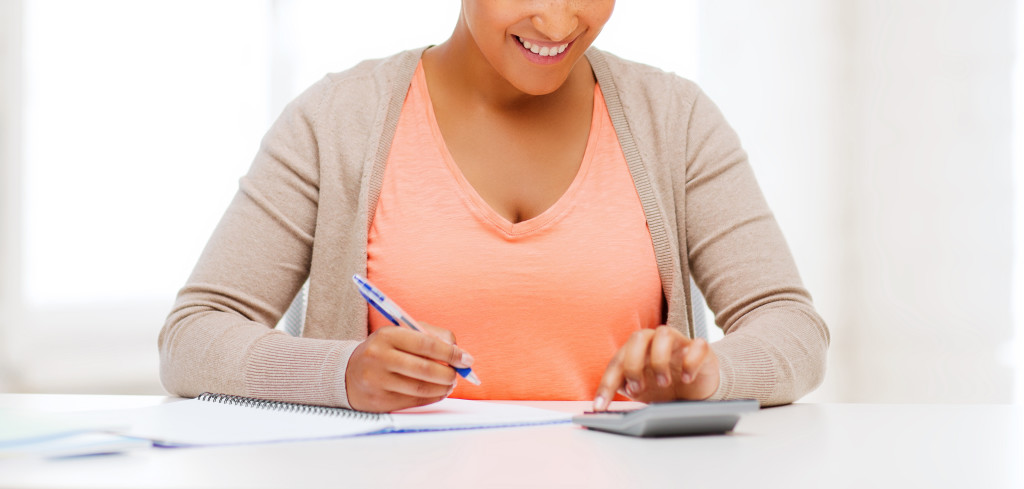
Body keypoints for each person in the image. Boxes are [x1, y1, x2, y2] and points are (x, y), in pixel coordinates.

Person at [158, 0, 829, 413]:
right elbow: (192, 337)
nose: (559, 20)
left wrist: (709, 372)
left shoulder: (674, 120)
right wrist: (341, 372)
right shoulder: (336, 121)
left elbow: (792, 328)